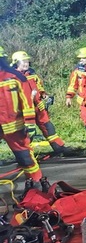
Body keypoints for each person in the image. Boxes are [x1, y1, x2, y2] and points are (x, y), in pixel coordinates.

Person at [0, 47, 46, 190]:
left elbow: (26, 101)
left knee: (25, 158)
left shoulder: (15, 76)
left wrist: (30, 123)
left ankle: (36, 185)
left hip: (14, 126)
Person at [11, 51, 69, 160]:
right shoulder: (13, 77)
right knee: (28, 134)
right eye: (23, 61)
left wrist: (44, 95)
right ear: (16, 63)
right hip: (25, 111)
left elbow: (39, 87)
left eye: (27, 61)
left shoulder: (32, 73)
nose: (26, 63)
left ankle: (59, 148)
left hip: (39, 107)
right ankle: (26, 156)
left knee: (49, 128)